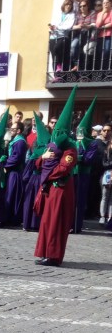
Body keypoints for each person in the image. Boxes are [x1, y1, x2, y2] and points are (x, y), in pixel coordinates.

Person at [33, 87, 78, 266]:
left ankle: (54, 256)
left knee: (56, 223)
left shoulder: (70, 149)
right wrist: (42, 159)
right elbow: (39, 163)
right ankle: (45, 252)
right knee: (47, 222)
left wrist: (48, 176)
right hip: (50, 188)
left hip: (61, 189)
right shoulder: (52, 146)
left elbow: (64, 167)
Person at [73, 98, 99, 233]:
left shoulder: (92, 143)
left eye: (82, 130)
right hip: (73, 173)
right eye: (78, 130)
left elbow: (88, 159)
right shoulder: (74, 141)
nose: (79, 133)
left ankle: (77, 225)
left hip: (83, 174)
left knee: (80, 200)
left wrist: (78, 155)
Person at [22, 112, 50, 232]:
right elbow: (31, 164)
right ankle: (31, 223)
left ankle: (31, 223)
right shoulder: (38, 150)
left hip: (38, 178)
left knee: (34, 200)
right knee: (32, 200)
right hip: (37, 178)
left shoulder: (42, 149)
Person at [3, 120, 27, 225]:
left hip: (15, 172)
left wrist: (5, 164)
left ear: (18, 131)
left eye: (13, 129)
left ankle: (12, 218)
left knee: (12, 194)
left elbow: (16, 158)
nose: (11, 130)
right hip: (11, 171)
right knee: (10, 193)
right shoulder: (14, 140)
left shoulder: (20, 142)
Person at [48, 0, 75, 73]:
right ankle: (56, 76)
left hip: (63, 36)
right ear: (64, 5)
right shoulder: (58, 13)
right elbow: (54, 23)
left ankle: (59, 65)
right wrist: (52, 27)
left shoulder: (71, 15)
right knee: (53, 56)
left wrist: (58, 27)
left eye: (70, 5)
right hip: (53, 36)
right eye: (67, 4)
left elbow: (68, 26)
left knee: (57, 48)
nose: (68, 6)